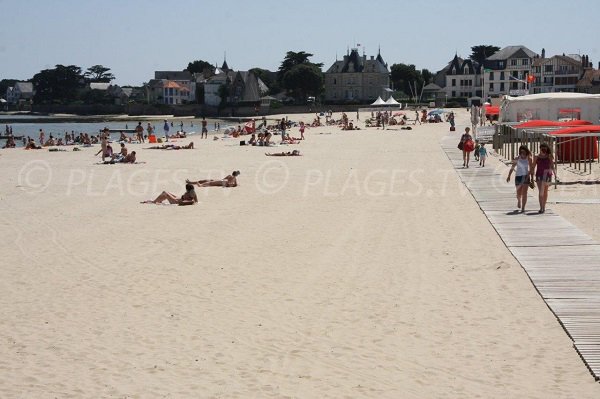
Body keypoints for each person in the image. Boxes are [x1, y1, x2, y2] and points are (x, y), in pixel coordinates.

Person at [507, 145, 534, 213]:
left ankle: (523, 208)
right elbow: (512, 167)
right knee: (519, 193)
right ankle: (519, 201)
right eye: (521, 152)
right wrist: (509, 176)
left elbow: (531, 169)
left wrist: (532, 179)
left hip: (526, 176)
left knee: (524, 193)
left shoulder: (529, 159)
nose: (523, 153)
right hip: (518, 177)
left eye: (524, 152)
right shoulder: (517, 158)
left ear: (526, 152)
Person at [533, 143, 555, 214]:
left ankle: (543, 207)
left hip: (547, 175)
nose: (543, 150)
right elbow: (533, 166)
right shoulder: (536, 157)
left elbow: (552, 166)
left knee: (545, 191)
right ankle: (541, 207)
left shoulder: (549, 156)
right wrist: (531, 174)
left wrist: (555, 175)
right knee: (541, 191)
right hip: (539, 175)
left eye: (544, 149)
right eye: (542, 148)